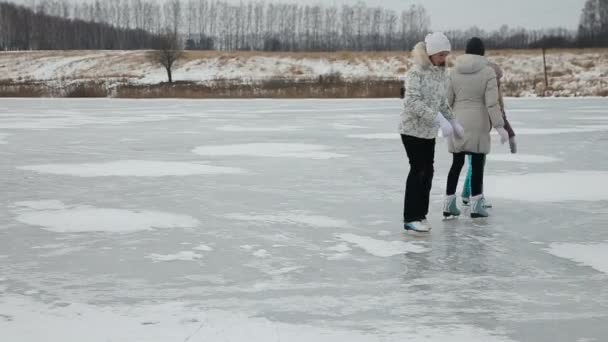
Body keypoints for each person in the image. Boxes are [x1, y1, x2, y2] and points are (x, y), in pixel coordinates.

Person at [400, 32, 463, 232]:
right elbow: (411, 102)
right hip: (411, 129)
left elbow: (442, 102)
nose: (444, 59)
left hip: (428, 131)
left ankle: (421, 215)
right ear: (430, 53)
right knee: (418, 170)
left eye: (446, 54)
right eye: (441, 55)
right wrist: (437, 119)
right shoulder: (416, 72)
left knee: (428, 171)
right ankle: (411, 217)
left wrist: (453, 121)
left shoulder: (442, 73)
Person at [442, 37, 508, 219]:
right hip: (478, 123)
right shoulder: (488, 72)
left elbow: (446, 101)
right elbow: (492, 103)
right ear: (482, 52)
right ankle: (476, 206)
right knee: (477, 164)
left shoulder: (453, 71)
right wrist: (500, 126)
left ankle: (448, 205)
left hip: (458, 122)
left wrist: (446, 123)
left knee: (456, 163)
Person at [461, 61, 517, 207]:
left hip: (482, 131)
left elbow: (500, 114)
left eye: (499, 80)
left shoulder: (495, 91)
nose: (498, 83)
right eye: (496, 79)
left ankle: (468, 194)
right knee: (475, 163)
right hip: (471, 129)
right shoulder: (478, 90)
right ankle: (474, 196)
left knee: (476, 163)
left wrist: (510, 133)